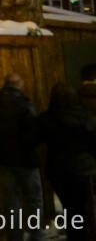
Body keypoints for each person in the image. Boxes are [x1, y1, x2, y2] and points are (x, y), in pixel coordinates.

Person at [0, 73, 42, 241]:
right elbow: (34, 133)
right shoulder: (25, 104)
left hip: (2, 162)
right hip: (26, 161)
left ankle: (15, 238)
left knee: (11, 204)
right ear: (19, 84)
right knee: (34, 200)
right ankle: (35, 236)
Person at [39, 83, 96, 241]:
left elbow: (34, 138)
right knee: (85, 207)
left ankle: (75, 235)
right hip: (83, 169)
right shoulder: (86, 117)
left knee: (69, 207)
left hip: (58, 170)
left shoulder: (46, 119)